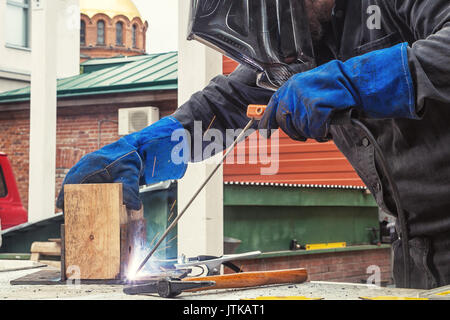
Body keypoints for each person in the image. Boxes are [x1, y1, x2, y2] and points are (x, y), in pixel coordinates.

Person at [57, 0, 450, 289]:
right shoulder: (301, 44)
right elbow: (221, 108)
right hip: (415, 250)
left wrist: (354, 80)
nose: (273, 50)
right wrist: (140, 151)